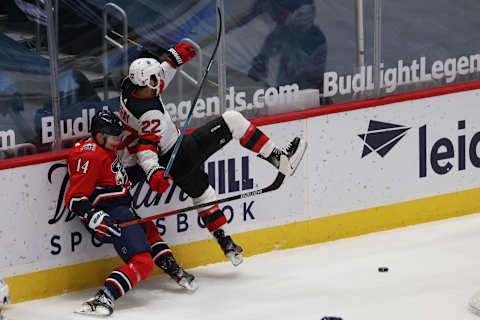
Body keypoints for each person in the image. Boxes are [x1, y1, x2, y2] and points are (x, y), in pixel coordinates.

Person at [117, 42, 308, 267]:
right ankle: (279, 158)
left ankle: (226, 242)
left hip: (171, 162)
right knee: (233, 120)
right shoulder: (151, 114)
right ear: (147, 82)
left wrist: (173, 59)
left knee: (204, 195)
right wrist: (154, 173)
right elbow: (146, 150)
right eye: (155, 78)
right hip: (178, 154)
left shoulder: (129, 90)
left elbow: (158, 81)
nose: (159, 79)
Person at [64, 110, 197, 317]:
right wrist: (93, 217)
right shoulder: (90, 155)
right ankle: (104, 296)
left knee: (149, 230)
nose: (118, 141)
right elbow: (75, 198)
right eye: (114, 136)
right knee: (143, 264)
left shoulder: (102, 149)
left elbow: (116, 179)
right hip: (112, 215)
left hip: (122, 210)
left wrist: (152, 173)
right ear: (100, 135)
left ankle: (170, 266)